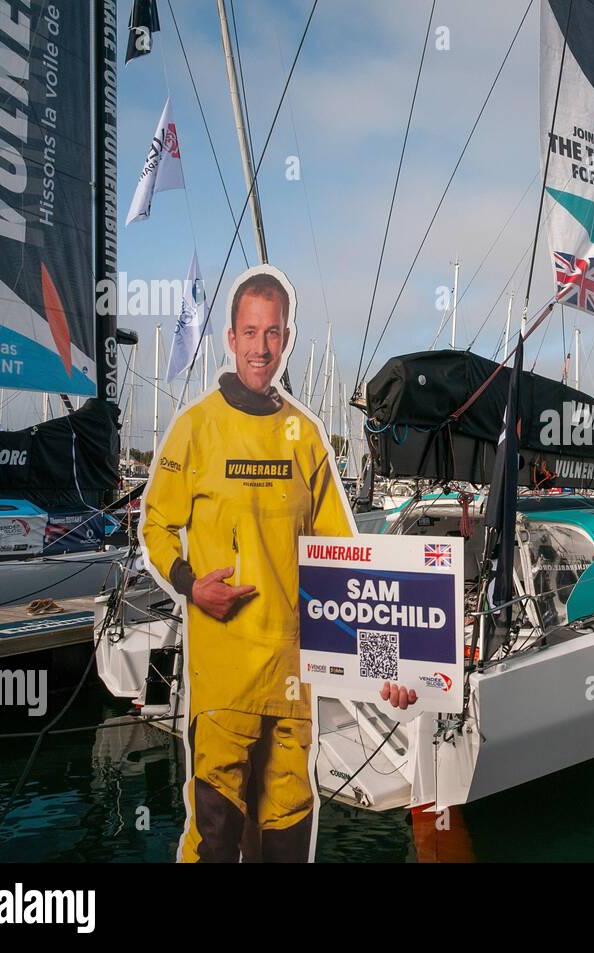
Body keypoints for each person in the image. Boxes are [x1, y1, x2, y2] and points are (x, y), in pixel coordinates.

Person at [142, 265, 414, 863]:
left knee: (287, 837)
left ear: (286, 338)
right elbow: (157, 527)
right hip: (224, 678)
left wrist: (386, 667)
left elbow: (345, 570)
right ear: (231, 338)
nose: (262, 347)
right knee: (214, 837)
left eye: (274, 334)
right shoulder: (195, 430)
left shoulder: (305, 436)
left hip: (295, 679)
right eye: (250, 332)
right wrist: (189, 585)